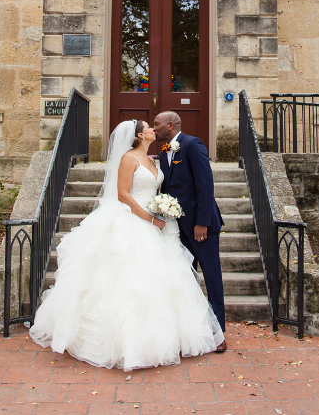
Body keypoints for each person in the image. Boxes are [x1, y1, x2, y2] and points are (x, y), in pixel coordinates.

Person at [29, 119, 224, 371]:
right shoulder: (128, 158)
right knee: (132, 281)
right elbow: (123, 194)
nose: (153, 128)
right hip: (136, 222)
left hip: (159, 223)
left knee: (165, 278)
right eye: (149, 127)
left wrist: (163, 211)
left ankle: (172, 334)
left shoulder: (155, 159)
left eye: (155, 125)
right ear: (139, 135)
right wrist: (150, 218)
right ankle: (130, 343)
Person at [154, 112, 227, 352]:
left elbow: (205, 185)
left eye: (157, 124)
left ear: (170, 125)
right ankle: (194, 330)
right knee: (186, 279)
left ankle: (218, 333)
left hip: (200, 226)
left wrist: (202, 222)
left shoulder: (192, 144)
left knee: (211, 276)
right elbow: (169, 188)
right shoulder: (164, 152)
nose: (154, 128)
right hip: (178, 227)